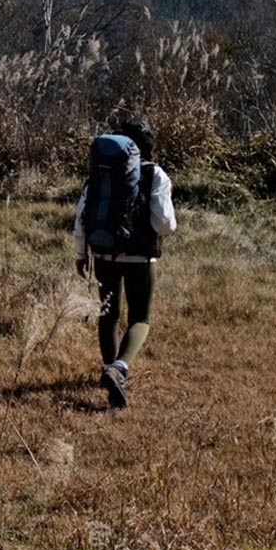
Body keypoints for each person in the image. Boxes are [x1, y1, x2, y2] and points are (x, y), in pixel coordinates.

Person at [73, 116, 177, 409]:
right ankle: (119, 368)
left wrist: (81, 253)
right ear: (149, 146)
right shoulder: (155, 174)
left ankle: (109, 367)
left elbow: (82, 214)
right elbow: (165, 224)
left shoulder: (101, 172)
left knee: (109, 314)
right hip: (139, 257)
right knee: (140, 318)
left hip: (103, 253)